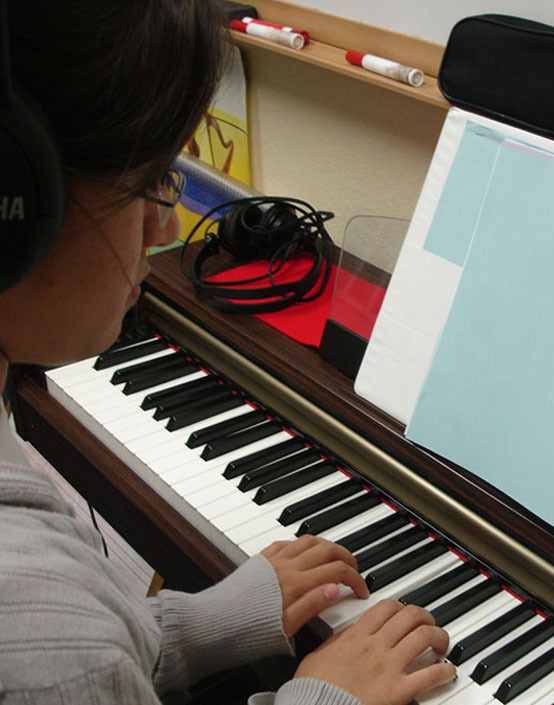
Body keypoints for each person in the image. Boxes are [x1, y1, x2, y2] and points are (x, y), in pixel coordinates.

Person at [0, 2, 455, 704]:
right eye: (152, 177)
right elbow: (73, 664)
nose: (166, 224)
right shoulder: (53, 645)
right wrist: (326, 695)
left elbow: (97, 660)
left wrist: (200, 625)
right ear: (16, 200)